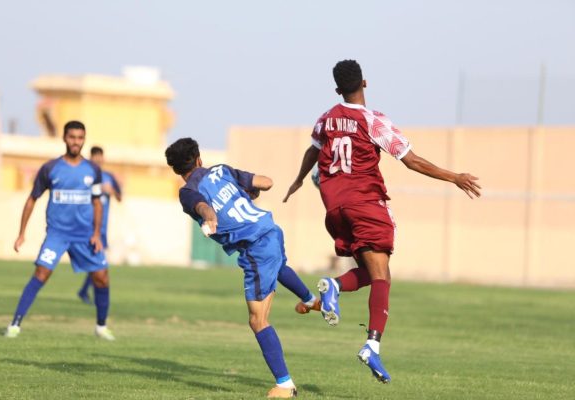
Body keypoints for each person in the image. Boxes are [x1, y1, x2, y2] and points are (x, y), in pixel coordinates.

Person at [283, 60, 481, 383]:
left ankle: (338, 290)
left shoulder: (326, 119)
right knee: (381, 277)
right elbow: (412, 161)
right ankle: (370, 344)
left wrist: (299, 179)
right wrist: (454, 177)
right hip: (365, 204)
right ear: (365, 82)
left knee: (377, 273)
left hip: (335, 208)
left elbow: (313, 150)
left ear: (337, 89)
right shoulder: (373, 121)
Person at [165, 138, 321, 399]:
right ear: (199, 158)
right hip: (271, 230)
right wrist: (247, 191)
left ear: (176, 169)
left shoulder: (187, 192)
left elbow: (202, 206)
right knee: (279, 266)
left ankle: (285, 385)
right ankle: (311, 300)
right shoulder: (221, 170)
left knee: (257, 320)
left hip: (256, 247)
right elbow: (266, 182)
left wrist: (210, 217)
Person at [7, 121, 115, 341]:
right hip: (57, 234)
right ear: (65, 138)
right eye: (72, 137)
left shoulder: (93, 170)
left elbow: (96, 203)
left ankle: (101, 327)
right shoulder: (50, 168)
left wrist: (96, 234)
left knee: (102, 278)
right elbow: (32, 199)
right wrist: (22, 233)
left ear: (84, 140)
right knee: (41, 274)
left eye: (80, 138)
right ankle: (14, 324)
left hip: (84, 235)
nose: (76, 142)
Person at [77, 146, 122, 304]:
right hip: (87, 225)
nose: (98, 159)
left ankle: (84, 291)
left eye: (100, 156)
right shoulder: (85, 175)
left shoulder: (109, 176)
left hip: (102, 227)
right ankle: (89, 293)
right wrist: (96, 190)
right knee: (99, 263)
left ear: (103, 158)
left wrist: (112, 191)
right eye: (95, 156)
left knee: (97, 262)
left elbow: (120, 197)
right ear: (91, 158)